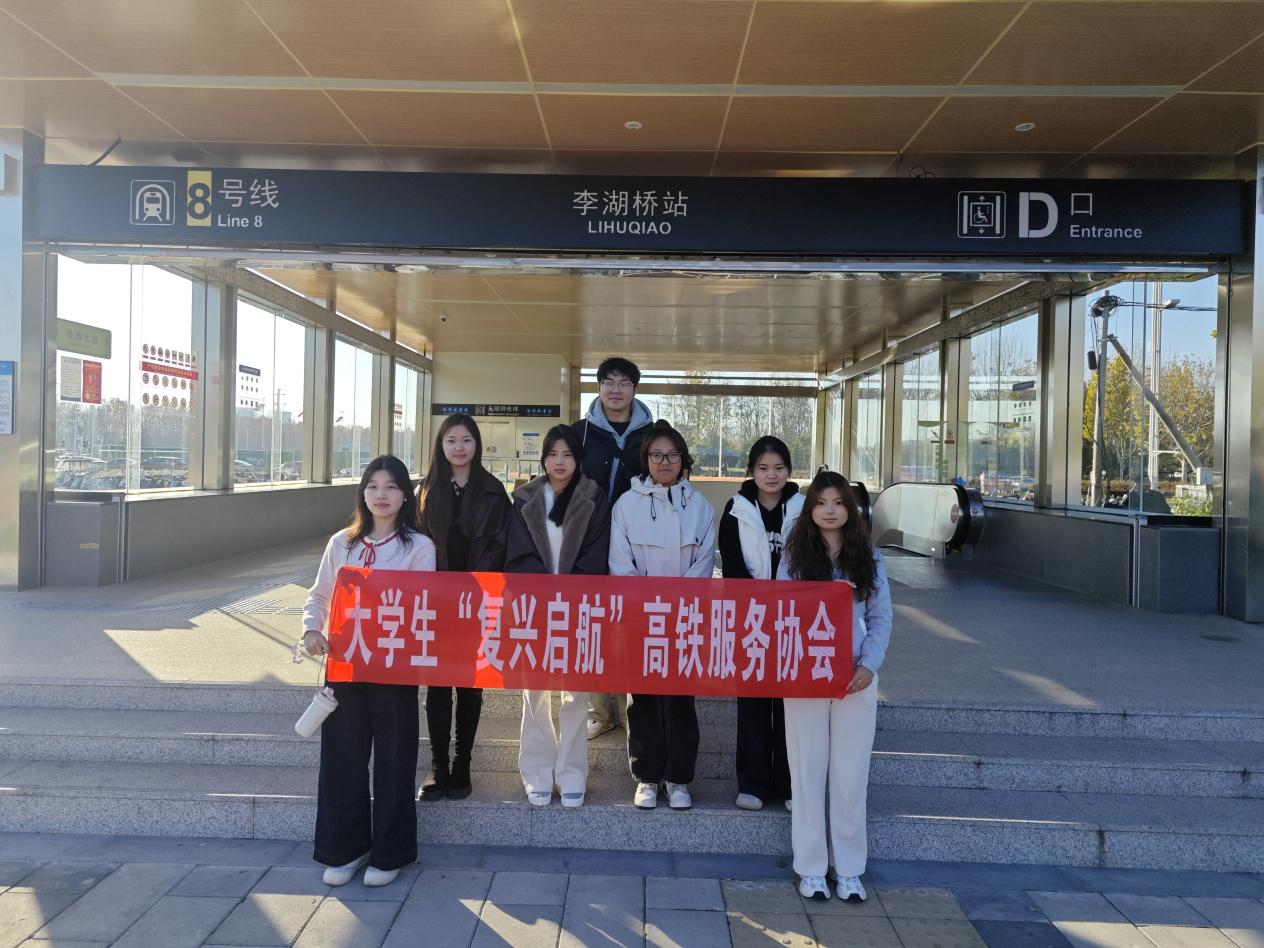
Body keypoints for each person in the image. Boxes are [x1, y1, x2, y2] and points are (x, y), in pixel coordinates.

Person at [301, 455, 436, 888]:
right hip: (345, 665)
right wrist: (311, 629)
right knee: (342, 759)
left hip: (394, 669)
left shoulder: (419, 547)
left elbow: (422, 605)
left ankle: (389, 853)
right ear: (362, 492)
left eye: (391, 486)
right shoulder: (341, 543)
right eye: (373, 486)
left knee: (395, 760)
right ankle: (346, 849)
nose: (381, 494)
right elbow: (320, 596)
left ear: (405, 495)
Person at [777, 469, 892, 903]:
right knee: (807, 774)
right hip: (805, 677)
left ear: (851, 509)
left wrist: (869, 665)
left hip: (854, 680)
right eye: (821, 503)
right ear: (810, 509)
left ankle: (849, 869)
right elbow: (781, 609)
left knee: (850, 776)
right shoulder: (794, 555)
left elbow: (880, 617)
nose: (829, 511)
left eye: (838, 503)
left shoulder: (869, 556)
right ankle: (810, 869)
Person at [609, 420, 716, 810]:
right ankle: (647, 777)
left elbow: (704, 564)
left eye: (672, 455)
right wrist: (648, 607)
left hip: (685, 619)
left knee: (681, 700)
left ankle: (679, 778)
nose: (664, 461)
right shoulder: (626, 505)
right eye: (656, 455)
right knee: (643, 700)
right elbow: (620, 564)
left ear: (683, 460)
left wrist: (678, 607)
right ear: (646, 460)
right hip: (642, 620)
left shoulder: (700, 507)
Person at [504, 425, 611, 808]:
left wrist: (569, 592)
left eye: (567, 454)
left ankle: (571, 774)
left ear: (578, 459)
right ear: (544, 458)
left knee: (575, 694)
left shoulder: (594, 498)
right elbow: (517, 553)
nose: (559, 462)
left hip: (578, 608)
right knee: (534, 693)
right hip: (534, 609)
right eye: (552, 454)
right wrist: (542, 593)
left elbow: (597, 555)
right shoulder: (525, 498)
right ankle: (537, 773)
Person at [416, 413, 511, 801]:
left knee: (470, 686)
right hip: (436, 604)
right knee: (438, 687)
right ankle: (438, 766)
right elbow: (414, 543)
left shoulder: (493, 491)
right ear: (441, 446)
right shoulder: (425, 491)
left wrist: (477, 584)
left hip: (477, 602)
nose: (459, 447)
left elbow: (502, 544)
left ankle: (462, 764)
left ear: (477, 445)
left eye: (466, 440)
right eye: (451, 440)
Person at [718, 436, 802, 812]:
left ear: (789, 471)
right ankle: (752, 783)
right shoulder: (736, 508)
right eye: (763, 468)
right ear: (751, 470)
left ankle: (789, 784)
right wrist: (756, 603)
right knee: (752, 702)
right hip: (750, 620)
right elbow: (732, 566)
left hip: (792, 620)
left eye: (779, 468)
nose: (771, 475)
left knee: (789, 706)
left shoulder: (803, 508)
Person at [574, 357, 653, 741]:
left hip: (639, 545)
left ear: (635, 389)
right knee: (592, 626)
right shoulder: (579, 434)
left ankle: (633, 710)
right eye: (609, 381)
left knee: (632, 625)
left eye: (624, 382)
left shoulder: (653, 435)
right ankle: (600, 712)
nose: (616, 389)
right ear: (599, 387)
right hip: (588, 543)